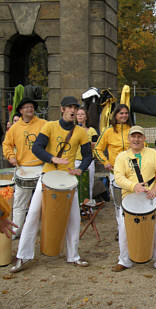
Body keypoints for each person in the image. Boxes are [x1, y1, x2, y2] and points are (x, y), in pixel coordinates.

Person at [10, 96, 93, 273]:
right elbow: (37, 148)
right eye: (69, 107)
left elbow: (87, 155)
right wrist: (52, 158)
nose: (72, 110)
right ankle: (23, 256)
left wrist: (81, 169)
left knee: (74, 218)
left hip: (69, 180)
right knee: (32, 214)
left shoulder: (81, 132)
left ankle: (73, 256)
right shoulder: (49, 126)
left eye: (75, 107)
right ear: (62, 109)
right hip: (47, 176)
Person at [112, 126, 156, 274]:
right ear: (129, 138)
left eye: (139, 136)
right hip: (128, 199)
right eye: (133, 136)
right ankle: (124, 260)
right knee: (124, 231)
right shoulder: (122, 157)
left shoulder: (153, 154)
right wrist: (133, 186)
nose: (136, 139)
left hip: (152, 198)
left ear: (144, 138)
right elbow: (118, 177)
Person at [2, 97, 47, 238]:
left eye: (32, 106)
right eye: (26, 107)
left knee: (47, 204)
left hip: (42, 168)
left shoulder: (44, 124)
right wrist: (10, 156)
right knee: (19, 204)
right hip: (23, 169)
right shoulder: (15, 128)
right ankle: (15, 231)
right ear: (21, 111)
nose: (30, 109)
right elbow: (7, 144)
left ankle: (48, 231)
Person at [94, 104, 132, 230]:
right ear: (115, 115)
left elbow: (143, 147)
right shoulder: (108, 131)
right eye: (121, 113)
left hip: (132, 172)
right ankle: (121, 228)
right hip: (115, 172)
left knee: (131, 200)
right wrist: (105, 162)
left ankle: (131, 226)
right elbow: (98, 149)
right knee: (118, 203)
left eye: (126, 113)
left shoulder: (133, 129)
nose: (124, 115)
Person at [75, 107, 98, 201]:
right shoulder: (72, 130)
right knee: (75, 184)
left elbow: (96, 145)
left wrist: (87, 144)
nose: (80, 116)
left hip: (89, 161)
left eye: (82, 114)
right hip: (75, 161)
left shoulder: (92, 130)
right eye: (78, 114)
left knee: (89, 184)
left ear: (86, 117)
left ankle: (88, 206)